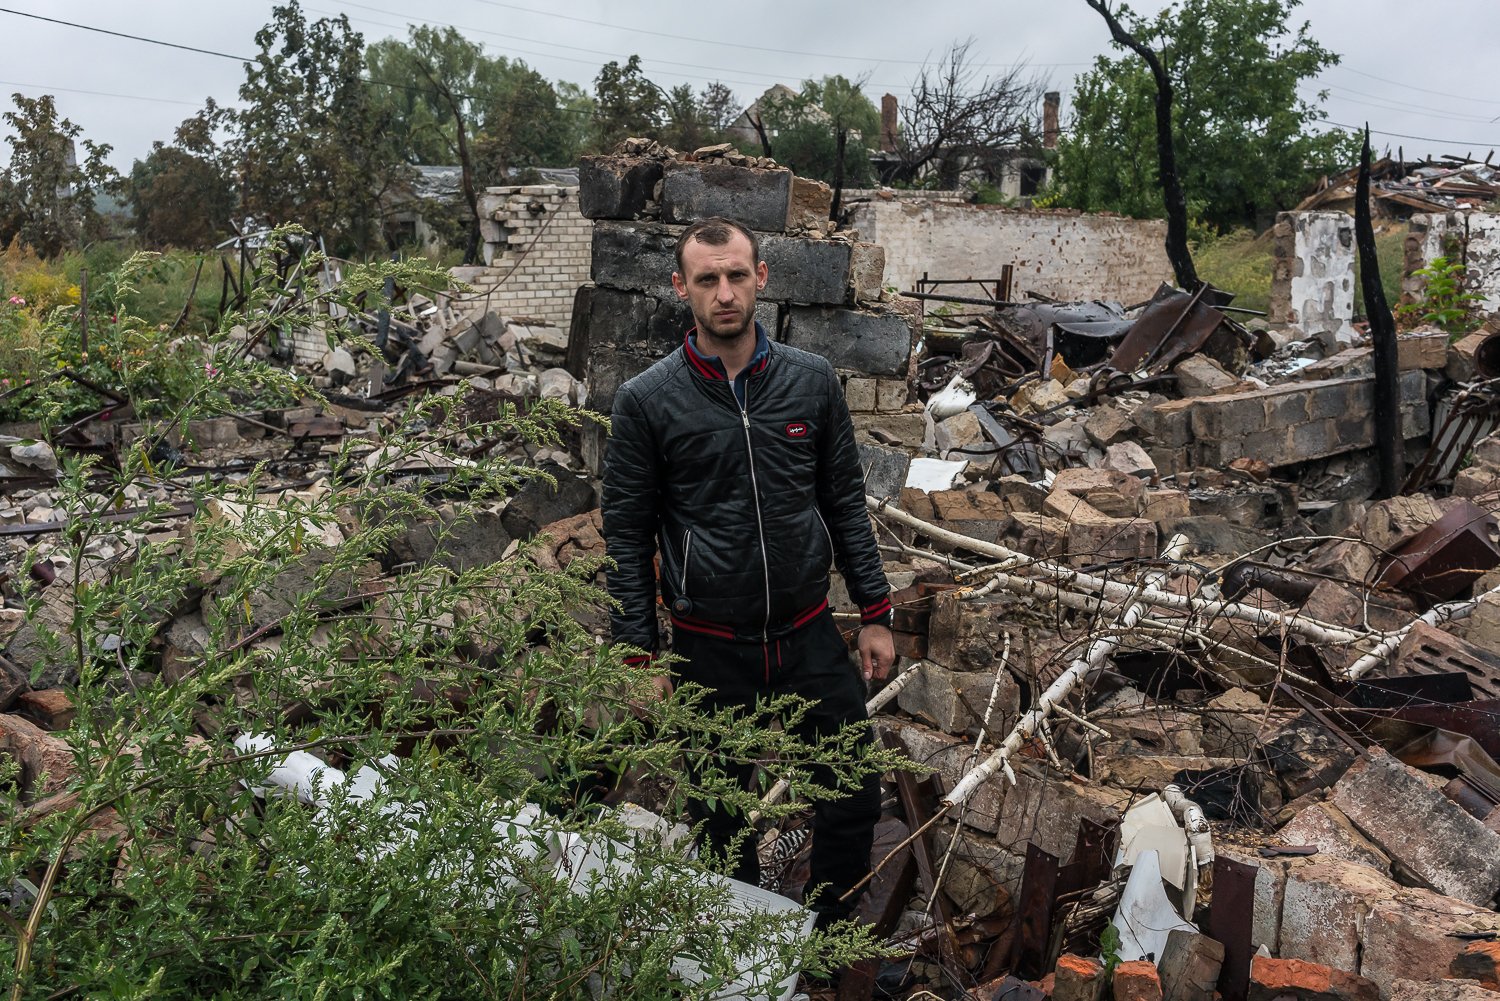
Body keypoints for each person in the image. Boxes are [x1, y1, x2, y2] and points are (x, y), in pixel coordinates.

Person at [601, 215, 896, 925]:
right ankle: (739, 953)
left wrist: (876, 612)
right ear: (681, 288)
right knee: (722, 818)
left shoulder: (812, 382)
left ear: (762, 277)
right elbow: (626, 536)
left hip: (807, 632)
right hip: (710, 645)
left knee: (853, 792)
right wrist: (640, 652)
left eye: (737, 275)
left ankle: (826, 944)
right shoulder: (647, 401)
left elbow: (845, 504)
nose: (725, 292)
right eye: (707, 279)